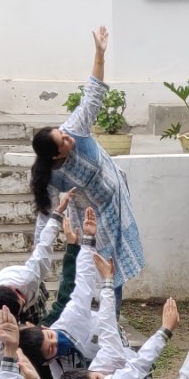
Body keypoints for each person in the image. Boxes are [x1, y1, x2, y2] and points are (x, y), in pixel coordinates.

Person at [31, 27, 143, 298]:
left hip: (116, 199)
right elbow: (45, 217)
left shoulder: (73, 128)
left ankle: (111, 323)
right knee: (102, 271)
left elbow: (92, 95)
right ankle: (100, 321)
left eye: (63, 133)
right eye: (63, 141)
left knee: (119, 265)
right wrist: (35, 262)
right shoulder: (50, 175)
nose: (68, 136)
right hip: (91, 218)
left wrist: (100, 52)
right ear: (57, 155)